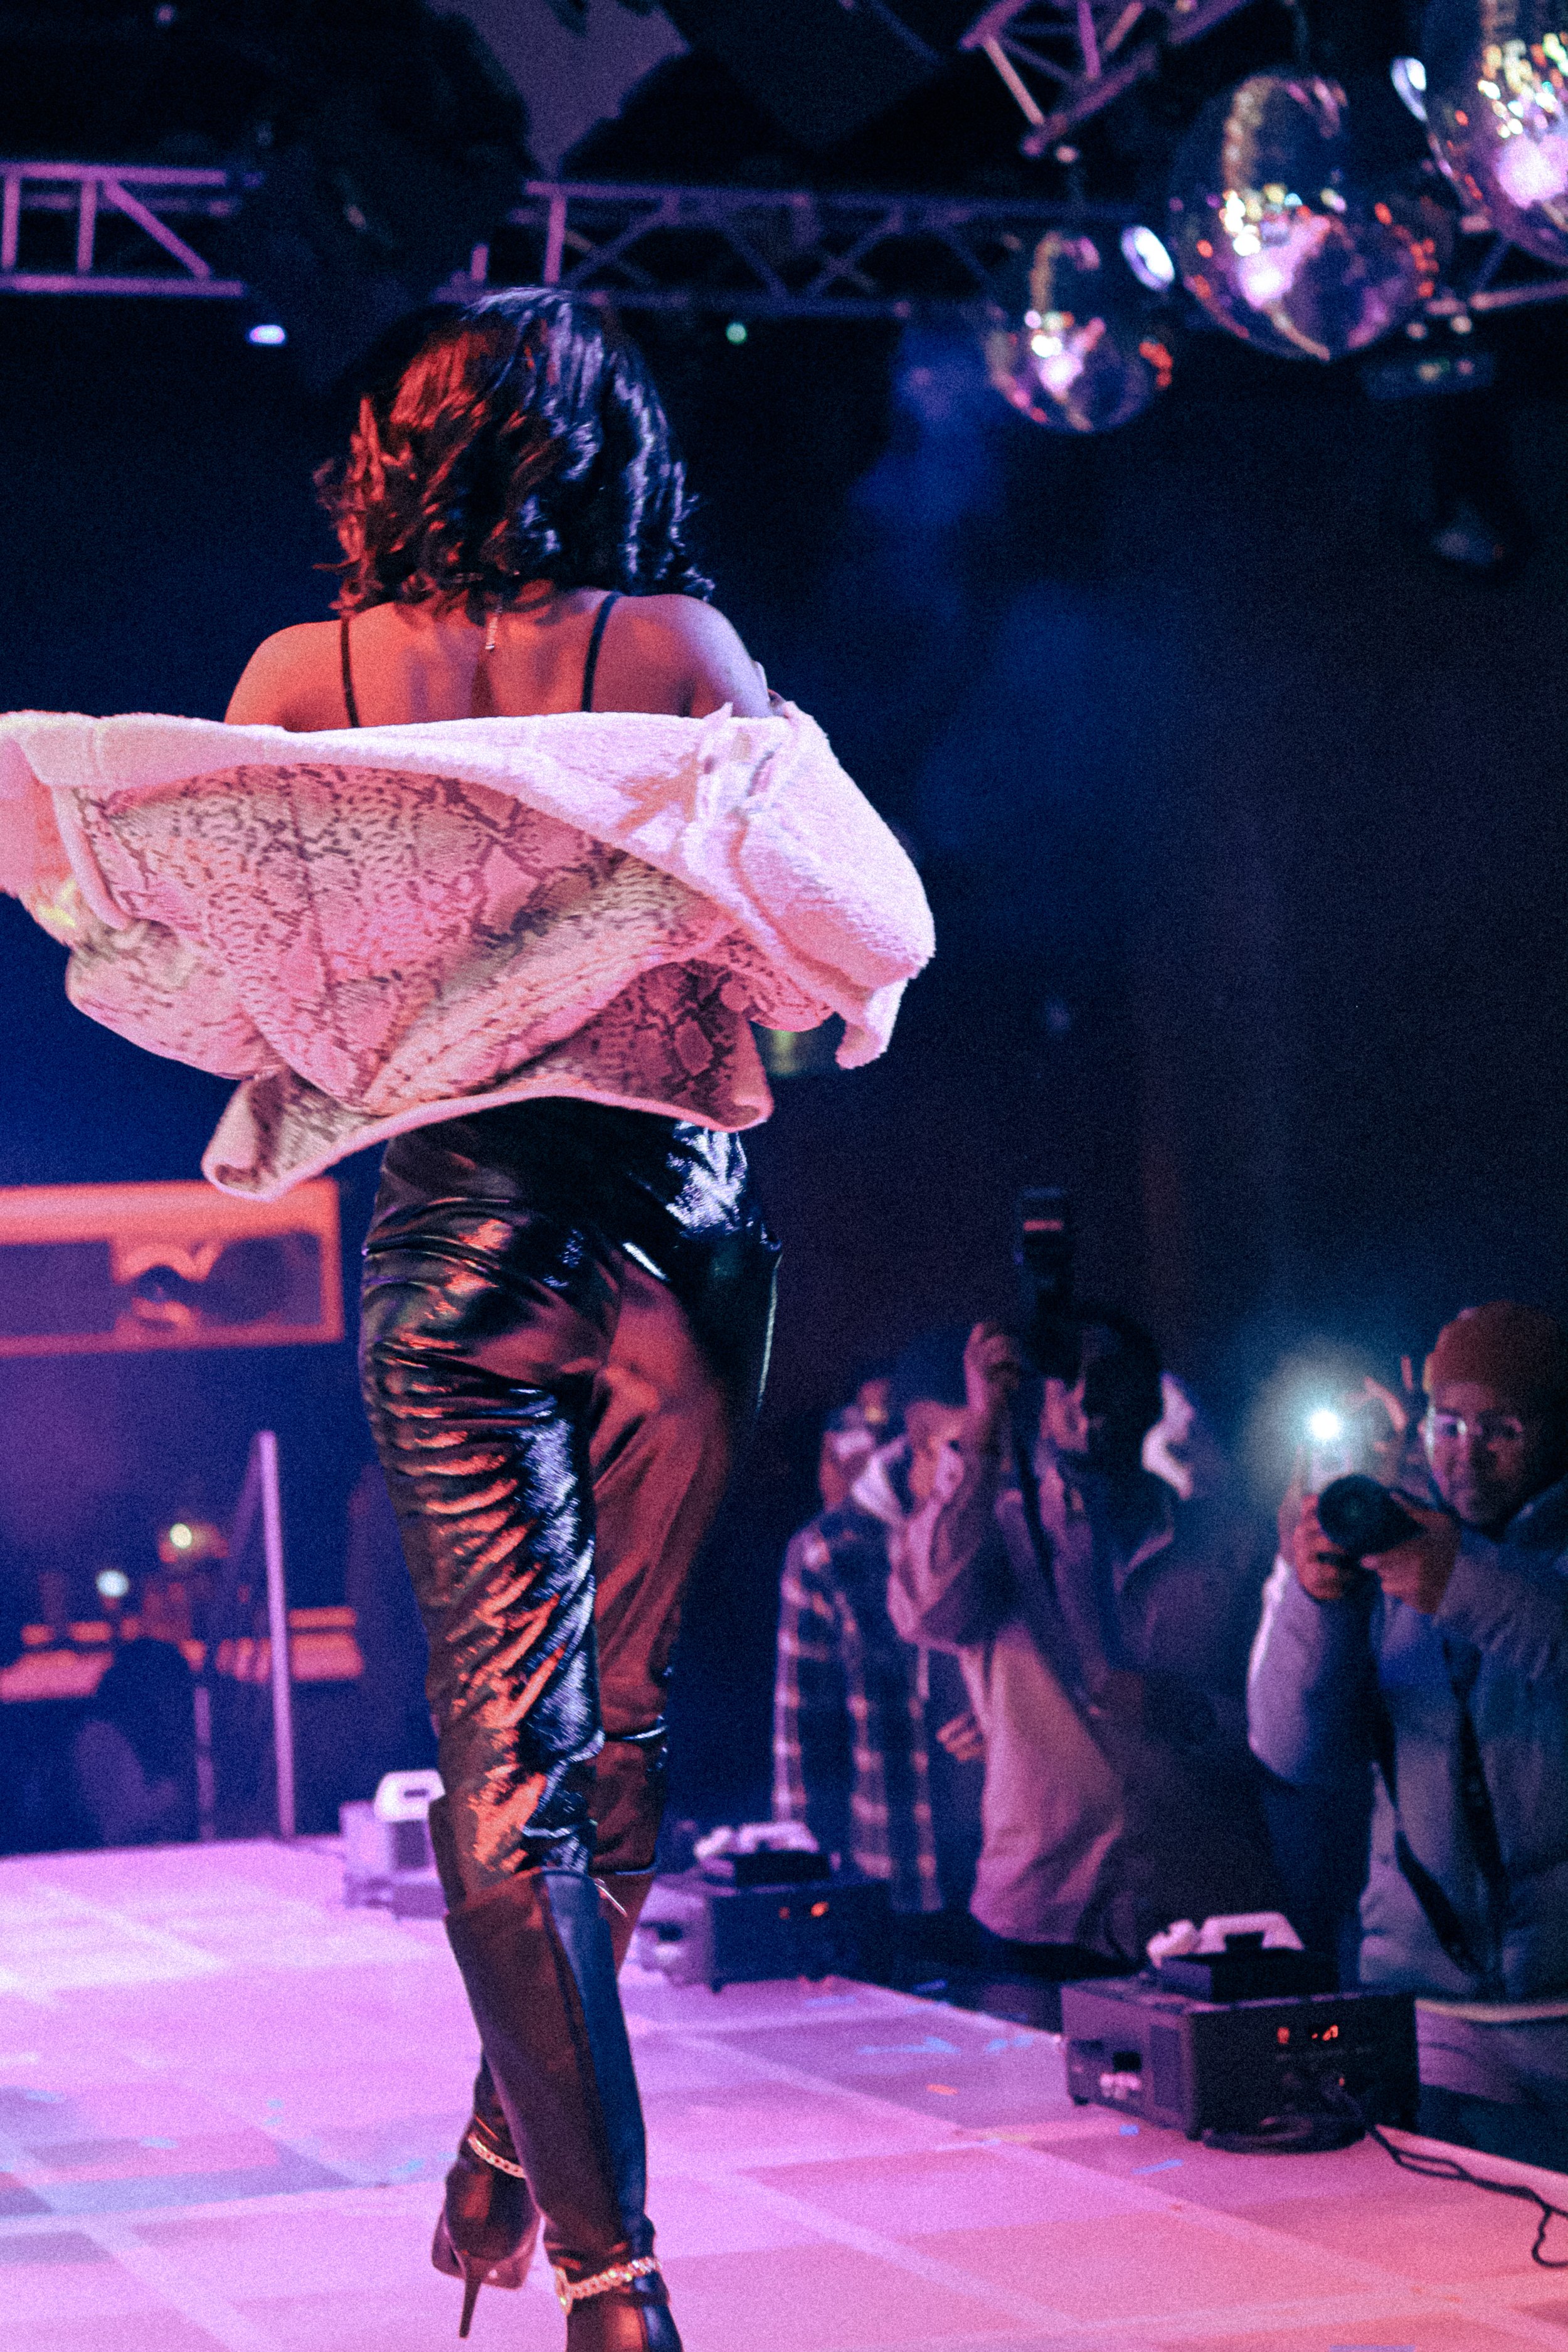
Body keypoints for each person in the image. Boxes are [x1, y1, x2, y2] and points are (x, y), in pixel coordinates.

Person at [0, 290, 932, 2351]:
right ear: (601, 446)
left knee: (508, 1783)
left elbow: (208, 952)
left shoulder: (295, 678)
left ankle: (596, 2260)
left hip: (460, 1263)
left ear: (390, 454)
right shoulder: (669, 649)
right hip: (681, 1255)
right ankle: (522, 2150)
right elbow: (820, 926)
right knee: (614, 1749)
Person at [1251, 1302, 1568, 2171]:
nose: (1465, 1449)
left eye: (1500, 1426)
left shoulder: (1459, 1558)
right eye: (1449, 1423)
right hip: (1427, 2006)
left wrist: (1459, 1575)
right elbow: (1292, 1751)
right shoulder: (1388, 1540)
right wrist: (1315, 1601)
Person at [889, 1315, 1278, 1968]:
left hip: (1205, 1907)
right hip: (1043, 1912)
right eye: (1063, 1379)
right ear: (1035, 1400)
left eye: (1111, 1379)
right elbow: (928, 1612)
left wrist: (1189, 1713)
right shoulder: (1000, 1533)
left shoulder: (1226, 1542)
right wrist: (984, 1425)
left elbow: (1294, 1726)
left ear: (1152, 1398)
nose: (1086, 1397)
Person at [772, 1338, 983, 1928]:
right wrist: (808, 1898)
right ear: (916, 1443)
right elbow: (802, 1744)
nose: (984, 1466)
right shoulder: (831, 1551)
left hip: (1014, 1877)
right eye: (964, 1448)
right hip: (887, 1876)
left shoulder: (1016, 1520)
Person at [72, 1637, 198, 1847]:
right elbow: (122, 1825)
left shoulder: (153, 1737)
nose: (176, 1701)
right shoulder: (101, 1738)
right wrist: (181, 1784)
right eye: (168, 1689)